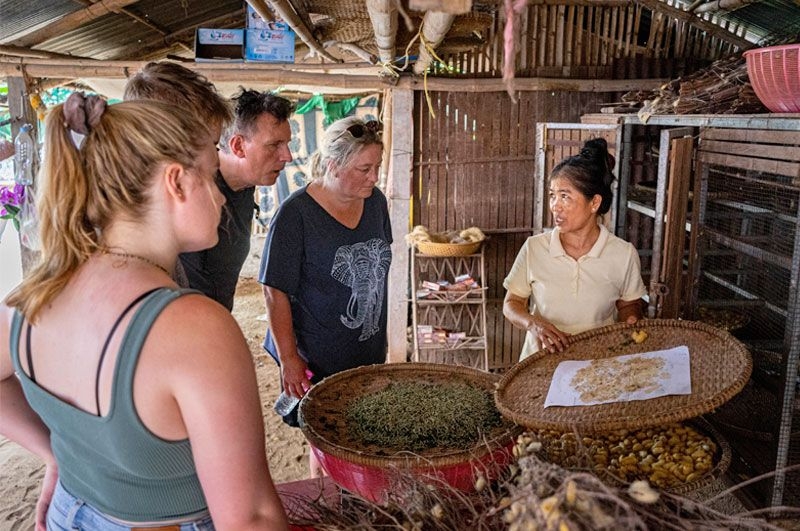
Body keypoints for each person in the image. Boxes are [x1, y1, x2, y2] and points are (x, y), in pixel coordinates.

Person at [0, 94, 288, 530]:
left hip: (70, 512)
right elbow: (250, 519)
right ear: (175, 183)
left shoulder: (31, 299)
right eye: (211, 178)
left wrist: (55, 452)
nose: (221, 198)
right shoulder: (196, 329)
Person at [258, 116, 392, 477]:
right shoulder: (295, 215)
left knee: (363, 437)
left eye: (377, 166)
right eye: (364, 168)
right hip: (316, 356)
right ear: (333, 165)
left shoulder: (375, 202)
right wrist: (289, 358)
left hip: (366, 349)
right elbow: (274, 290)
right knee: (327, 443)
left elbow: (378, 266)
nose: (374, 177)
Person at [503, 137, 645, 362]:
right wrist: (534, 324)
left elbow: (629, 304)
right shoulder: (535, 248)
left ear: (594, 203)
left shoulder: (623, 254)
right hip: (540, 362)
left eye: (565, 197)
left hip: (598, 363)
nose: (555, 206)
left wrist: (631, 319)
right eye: (552, 195)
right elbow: (511, 304)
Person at [179, 89, 294, 311]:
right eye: (274, 145)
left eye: (287, 144)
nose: (287, 156)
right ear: (238, 146)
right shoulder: (194, 194)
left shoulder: (245, 186)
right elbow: (187, 293)